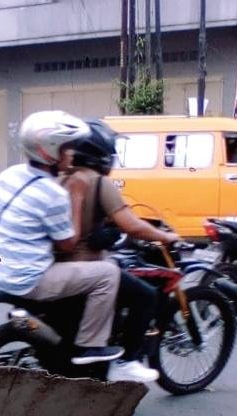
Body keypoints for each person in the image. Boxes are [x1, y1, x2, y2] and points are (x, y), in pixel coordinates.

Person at [0, 110, 155, 381]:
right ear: (51, 151)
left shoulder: (9, 175)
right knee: (109, 273)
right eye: (68, 148)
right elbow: (67, 243)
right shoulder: (55, 192)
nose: (72, 154)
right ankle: (90, 345)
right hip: (32, 279)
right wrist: (82, 204)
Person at [60, 118, 184, 383]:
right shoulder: (97, 182)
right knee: (145, 295)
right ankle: (127, 361)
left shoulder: (63, 178)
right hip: (83, 266)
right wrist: (166, 236)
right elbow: (132, 225)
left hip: (56, 264)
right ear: (101, 151)